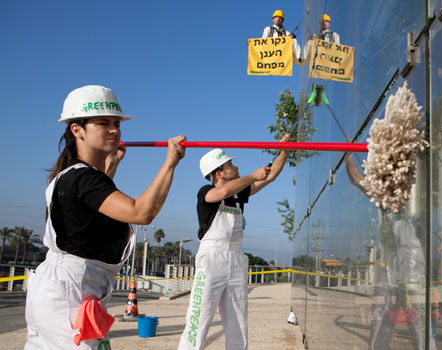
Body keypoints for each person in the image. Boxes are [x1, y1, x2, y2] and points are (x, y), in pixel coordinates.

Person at [25, 85, 186, 349]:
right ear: (77, 130)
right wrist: (170, 163)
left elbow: (92, 208)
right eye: (103, 123)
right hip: (70, 290)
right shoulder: (83, 177)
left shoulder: (70, 174)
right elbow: (141, 212)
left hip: (58, 288)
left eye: (116, 123)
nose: (114, 130)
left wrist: (111, 165)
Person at [178, 134, 290, 350]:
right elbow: (223, 191)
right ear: (219, 173)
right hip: (211, 259)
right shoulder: (206, 192)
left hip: (236, 259)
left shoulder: (239, 194)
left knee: (238, 322)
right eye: (230, 164)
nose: (236, 166)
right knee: (198, 320)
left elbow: (272, 175)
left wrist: (284, 150)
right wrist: (252, 175)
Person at [344, 154, 435, 350]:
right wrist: (347, 154)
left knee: (417, 315)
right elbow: (356, 179)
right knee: (380, 312)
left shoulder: (415, 195)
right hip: (389, 262)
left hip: (411, 263)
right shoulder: (382, 194)